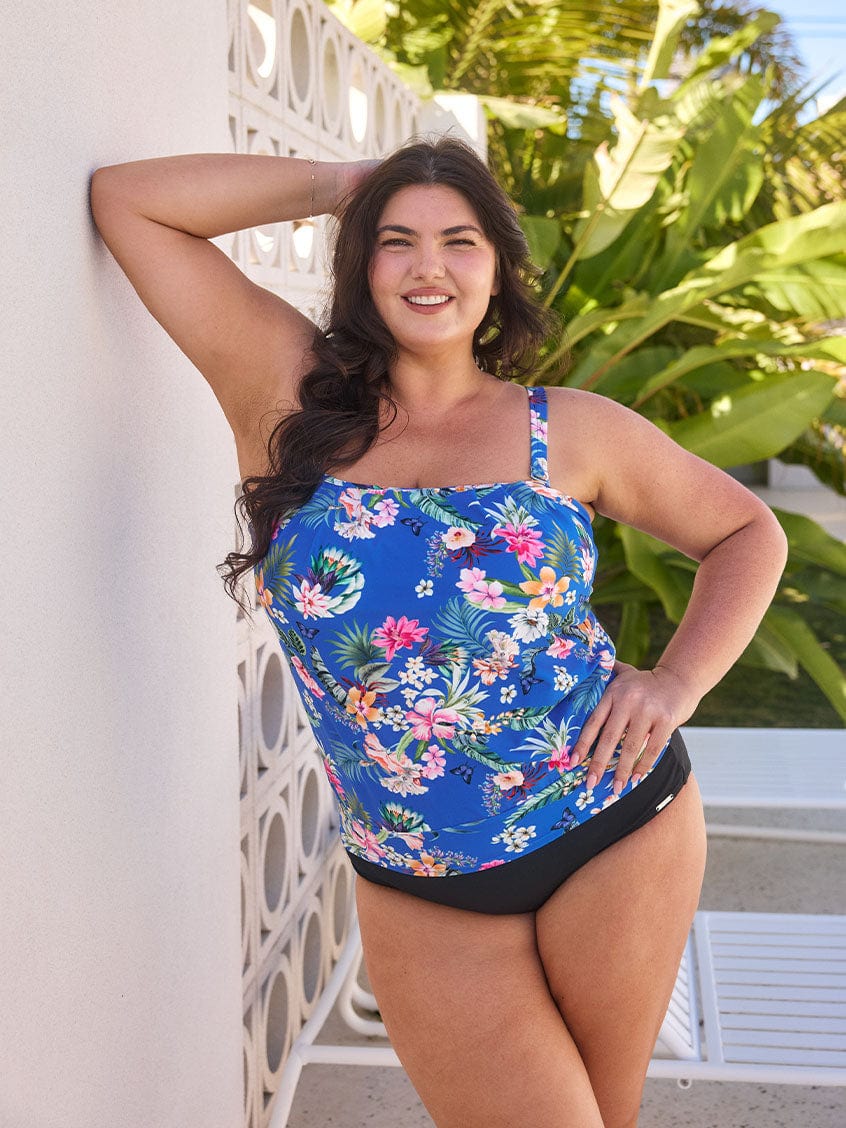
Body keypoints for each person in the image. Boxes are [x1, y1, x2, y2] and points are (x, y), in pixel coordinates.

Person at [90, 134, 788, 1128]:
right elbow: (130, 199)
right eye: (396, 240)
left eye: (460, 240)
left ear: (498, 268)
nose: (428, 266)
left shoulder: (571, 429)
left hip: (612, 828)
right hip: (421, 885)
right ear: (359, 262)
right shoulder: (285, 394)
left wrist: (674, 685)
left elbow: (745, 531)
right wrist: (348, 182)